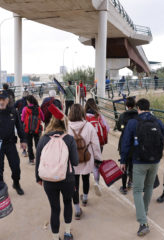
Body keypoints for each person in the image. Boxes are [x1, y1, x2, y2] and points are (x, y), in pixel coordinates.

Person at [120, 98, 164, 237]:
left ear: (138, 108)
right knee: (149, 187)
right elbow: (163, 137)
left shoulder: (133, 122)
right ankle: (144, 211)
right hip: (155, 161)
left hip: (139, 161)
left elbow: (126, 143)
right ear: (149, 107)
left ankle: (143, 223)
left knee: (137, 190)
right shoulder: (157, 121)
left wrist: (123, 160)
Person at [35, 104, 79, 240]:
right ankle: (67, 233)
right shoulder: (69, 139)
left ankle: (55, 237)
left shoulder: (43, 139)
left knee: (54, 208)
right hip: (67, 179)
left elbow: (38, 161)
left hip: (48, 179)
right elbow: (75, 162)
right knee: (67, 203)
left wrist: (38, 178)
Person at [68, 104, 102, 220]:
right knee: (86, 178)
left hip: (72, 160)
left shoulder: (67, 127)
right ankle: (85, 199)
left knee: (74, 184)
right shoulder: (88, 126)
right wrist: (98, 158)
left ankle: (77, 210)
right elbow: (96, 144)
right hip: (87, 157)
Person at [84, 98, 110, 196]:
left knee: (86, 164)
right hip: (99, 144)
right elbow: (107, 128)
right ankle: (96, 182)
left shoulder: (84, 117)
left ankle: (85, 189)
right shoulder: (99, 116)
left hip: (87, 145)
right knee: (96, 164)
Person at [116, 96, 138, 195]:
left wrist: (124, 128)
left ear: (126, 105)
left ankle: (124, 187)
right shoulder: (138, 115)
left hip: (125, 142)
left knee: (124, 164)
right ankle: (131, 181)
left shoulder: (122, 116)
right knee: (133, 164)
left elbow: (119, 127)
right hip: (136, 143)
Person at [21, 95, 44, 165]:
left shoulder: (25, 109)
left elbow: (22, 119)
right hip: (37, 129)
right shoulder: (38, 108)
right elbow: (43, 118)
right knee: (37, 144)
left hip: (27, 130)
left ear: (28, 101)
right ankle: (39, 159)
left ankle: (31, 160)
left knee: (30, 145)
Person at [14, 91, 30, 158]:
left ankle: (24, 150)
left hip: (21, 120)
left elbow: (13, 108)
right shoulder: (30, 102)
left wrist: (17, 113)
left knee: (22, 135)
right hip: (29, 120)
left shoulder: (18, 101)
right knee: (29, 135)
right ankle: (29, 149)